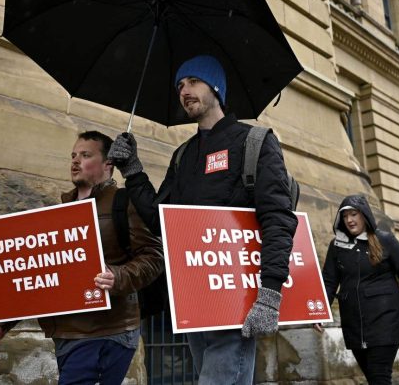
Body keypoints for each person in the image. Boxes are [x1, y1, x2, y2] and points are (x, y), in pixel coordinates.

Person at [108, 55, 298, 384]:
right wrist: (133, 171)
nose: (184, 91)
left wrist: (270, 294)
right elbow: (161, 221)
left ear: (216, 87)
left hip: (237, 296)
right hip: (193, 296)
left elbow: (278, 219)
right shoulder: (183, 154)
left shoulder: (254, 142)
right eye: (179, 85)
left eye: (193, 81)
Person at [0, 131, 165, 384]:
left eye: (85, 155)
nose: (75, 161)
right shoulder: (59, 211)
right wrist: (8, 319)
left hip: (108, 330)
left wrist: (117, 276)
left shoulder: (125, 202)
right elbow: (41, 272)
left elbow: (153, 257)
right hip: (68, 332)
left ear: (108, 164)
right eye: (73, 155)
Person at [315, 195, 399, 384]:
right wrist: (320, 312)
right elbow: (329, 282)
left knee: (379, 375)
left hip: (386, 322)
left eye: (354, 214)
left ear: (364, 215)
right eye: (345, 216)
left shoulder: (386, 240)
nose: (349, 220)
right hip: (355, 325)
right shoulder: (337, 246)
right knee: (373, 377)